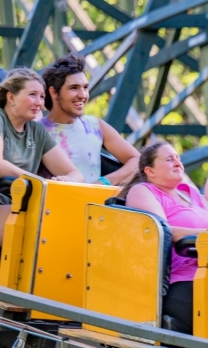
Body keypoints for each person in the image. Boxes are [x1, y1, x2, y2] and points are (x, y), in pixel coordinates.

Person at [122, 141, 208, 334]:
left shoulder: (192, 194)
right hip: (181, 279)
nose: (178, 163)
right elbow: (161, 231)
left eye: (178, 158)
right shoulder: (144, 191)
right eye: (170, 160)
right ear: (150, 171)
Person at [0, 69, 83, 246]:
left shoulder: (36, 131)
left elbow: (75, 173)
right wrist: (38, 181)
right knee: (39, 227)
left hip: (22, 203)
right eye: (32, 95)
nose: (39, 103)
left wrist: (64, 181)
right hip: (4, 201)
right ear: (11, 97)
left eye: (41, 97)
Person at [41, 54, 139, 185]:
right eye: (74, 88)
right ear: (53, 92)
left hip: (96, 203)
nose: (83, 95)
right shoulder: (35, 130)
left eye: (85, 87)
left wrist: (104, 182)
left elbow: (137, 160)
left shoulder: (95, 125)